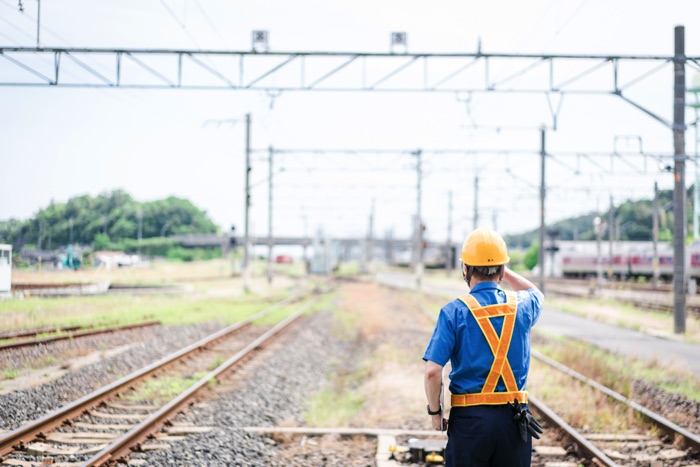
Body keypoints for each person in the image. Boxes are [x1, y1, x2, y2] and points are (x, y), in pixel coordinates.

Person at [423, 228, 544, 467]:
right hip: (514, 421)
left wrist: (436, 413)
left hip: (470, 423)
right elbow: (535, 292)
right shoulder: (522, 306)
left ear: (465, 270)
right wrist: (501, 268)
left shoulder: (453, 312)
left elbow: (432, 371)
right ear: (501, 270)